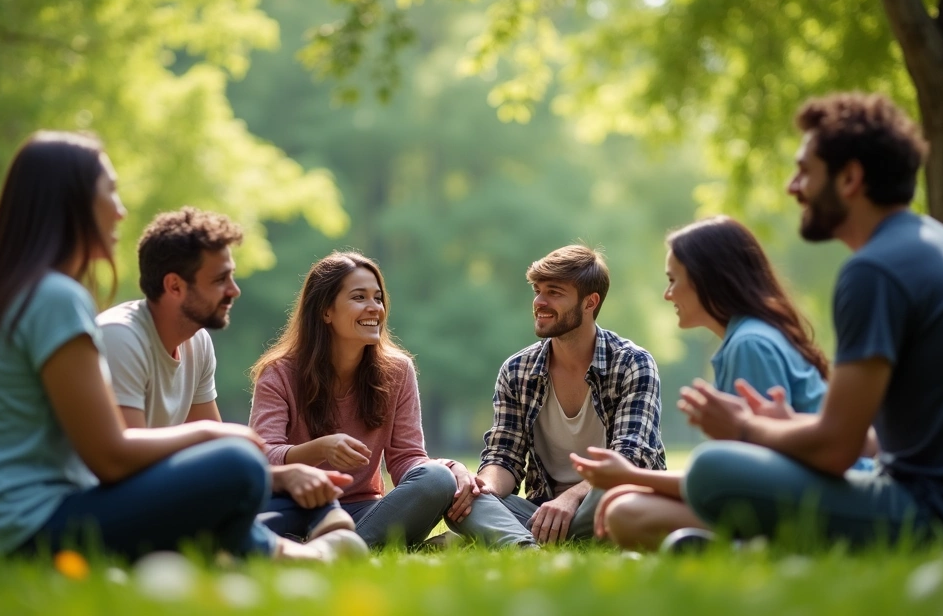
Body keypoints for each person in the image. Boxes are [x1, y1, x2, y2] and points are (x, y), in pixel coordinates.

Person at [0, 132, 359, 566]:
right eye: (110, 191)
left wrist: (271, 472)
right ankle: (292, 555)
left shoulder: (13, 294)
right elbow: (110, 458)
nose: (120, 210)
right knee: (237, 464)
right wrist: (218, 435)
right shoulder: (55, 299)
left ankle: (258, 545)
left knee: (243, 473)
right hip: (10, 535)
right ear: (71, 203)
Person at [675, 93, 943, 545]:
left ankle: (748, 545)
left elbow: (837, 450)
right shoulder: (937, 245)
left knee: (709, 470)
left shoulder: (874, 271)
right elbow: (883, 441)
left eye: (805, 172)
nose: (793, 187)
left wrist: (742, 427)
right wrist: (790, 423)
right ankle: (749, 548)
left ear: (850, 178)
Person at [573, 215, 850, 551]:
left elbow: (748, 478)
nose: (667, 294)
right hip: (796, 495)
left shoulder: (750, 344)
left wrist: (632, 477)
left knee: (628, 512)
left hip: (816, 504)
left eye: (674, 280)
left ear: (708, 279)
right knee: (629, 506)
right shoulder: (747, 339)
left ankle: (754, 546)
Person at [98, 208, 359, 544]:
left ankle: (303, 527)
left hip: (163, 491)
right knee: (242, 470)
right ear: (174, 286)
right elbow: (123, 463)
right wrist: (210, 439)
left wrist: (285, 477)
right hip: (117, 498)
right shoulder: (121, 337)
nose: (234, 290)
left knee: (302, 489)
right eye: (220, 280)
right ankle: (293, 543)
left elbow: (218, 452)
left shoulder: (197, 341)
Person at [446, 245, 666, 547]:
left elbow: (630, 461)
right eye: (537, 291)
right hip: (541, 509)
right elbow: (503, 457)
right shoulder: (517, 370)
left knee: (618, 497)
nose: (539, 302)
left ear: (590, 303)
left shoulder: (632, 363)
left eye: (554, 292)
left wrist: (570, 499)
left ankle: (502, 535)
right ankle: (526, 545)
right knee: (459, 499)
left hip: (609, 498)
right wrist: (480, 490)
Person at [249, 251, 463, 549]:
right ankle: (383, 547)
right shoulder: (279, 373)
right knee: (244, 515)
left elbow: (405, 458)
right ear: (326, 311)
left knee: (436, 479)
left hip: (364, 509)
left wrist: (449, 469)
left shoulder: (398, 371)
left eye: (378, 298)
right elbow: (262, 456)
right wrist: (320, 448)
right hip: (295, 506)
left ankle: (328, 549)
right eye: (359, 297)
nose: (374, 308)